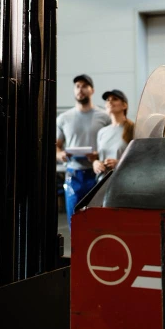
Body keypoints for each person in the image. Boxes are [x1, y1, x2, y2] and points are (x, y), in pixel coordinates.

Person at [56, 74, 110, 229]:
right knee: (75, 220)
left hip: (99, 175)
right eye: (78, 86)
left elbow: (111, 144)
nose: (81, 89)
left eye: (85, 86)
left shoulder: (104, 117)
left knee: (99, 220)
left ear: (92, 90)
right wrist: (60, 154)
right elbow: (56, 146)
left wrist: (98, 155)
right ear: (74, 90)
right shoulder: (64, 118)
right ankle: (77, 253)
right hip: (74, 175)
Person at [93, 89, 134, 175]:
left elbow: (141, 159)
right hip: (103, 182)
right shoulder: (102, 132)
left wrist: (119, 163)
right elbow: (100, 157)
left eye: (114, 99)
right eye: (108, 100)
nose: (110, 101)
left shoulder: (134, 129)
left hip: (124, 181)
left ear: (124, 105)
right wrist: (95, 163)